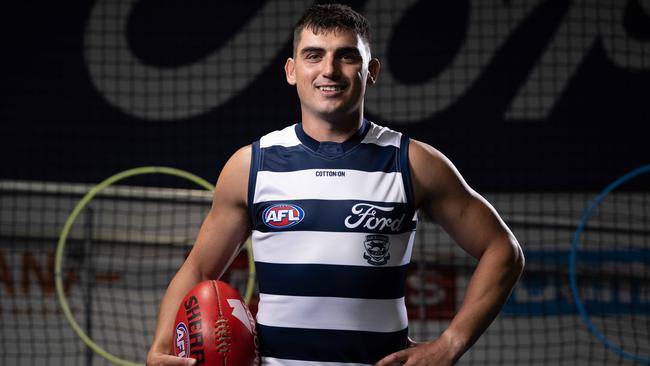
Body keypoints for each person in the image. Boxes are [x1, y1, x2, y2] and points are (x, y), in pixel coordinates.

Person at [146, 4, 524, 366]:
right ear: (292, 70)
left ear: (371, 70)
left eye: (347, 56)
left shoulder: (413, 162)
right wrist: (162, 345)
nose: (329, 70)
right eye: (314, 55)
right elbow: (197, 270)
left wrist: (450, 344)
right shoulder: (251, 165)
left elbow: (503, 250)